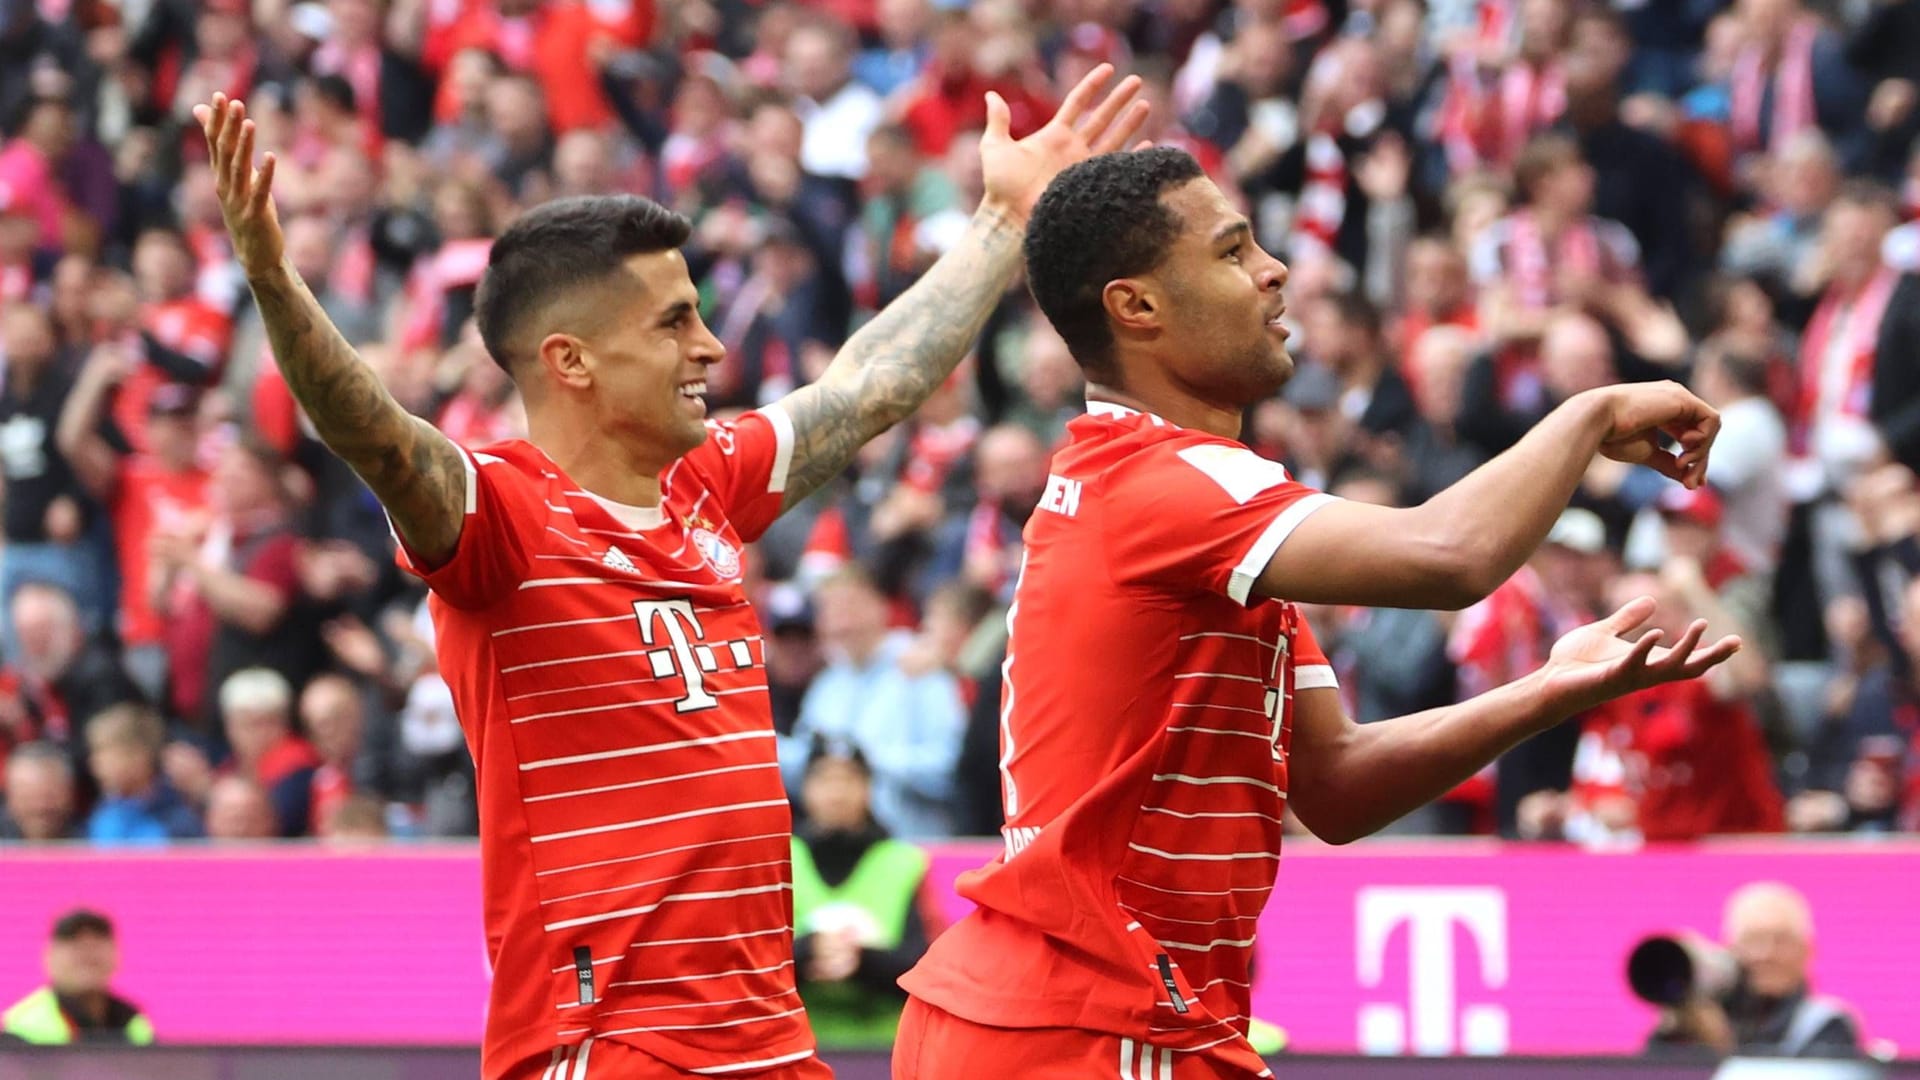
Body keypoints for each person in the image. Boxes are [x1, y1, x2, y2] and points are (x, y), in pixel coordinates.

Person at [193, 62, 1146, 1080]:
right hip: (609, 1046)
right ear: (570, 362)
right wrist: (273, 280)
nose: (710, 345)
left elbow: (872, 384)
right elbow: (380, 439)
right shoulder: (500, 516)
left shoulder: (705, 483)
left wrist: (1004, 219)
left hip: (770, 1042)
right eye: (673, 321)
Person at [896, 147, 1735, 1078]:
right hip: (1087, 1023)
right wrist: (1586, 413)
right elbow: (1450, 554)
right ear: (1137, 307)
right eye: (1231, 251)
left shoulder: (1199, 527)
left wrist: (1546, 689)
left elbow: (1333, 786)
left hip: (1087, 1014)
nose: (1275, 268)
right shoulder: (1167, 482)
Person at [790, 739, 931, 1050]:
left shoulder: (903, 860)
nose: (837, 793)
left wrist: (861, 959)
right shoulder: (780, 859)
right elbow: (753, 961)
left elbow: (923, 965)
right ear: (805, 788)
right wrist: (808, 950)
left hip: (883, 1046)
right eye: (825, 779)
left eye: (850, 779)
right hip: (797, 1043)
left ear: (868, 788)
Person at [1645, 882, 1864, 1060]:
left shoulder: (1827, 1024)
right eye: (1751, 941)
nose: (1765, 954)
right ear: (1728, 948)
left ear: (1807, 950)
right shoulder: (1705, 1016)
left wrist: (1721, 1047)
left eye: (1780, 941)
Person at [1, 910, 153, 1045]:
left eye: (98, 941)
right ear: (49, 956)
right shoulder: (20, 1028)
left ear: (116, 955)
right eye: (73, 942)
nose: (87, 952)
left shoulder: (135, 1025)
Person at [0, 741, 77, 841]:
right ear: (9, 799)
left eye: (50, 796)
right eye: (28, 798)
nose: (40, 806)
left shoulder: (96, 841)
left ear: (70, 795)